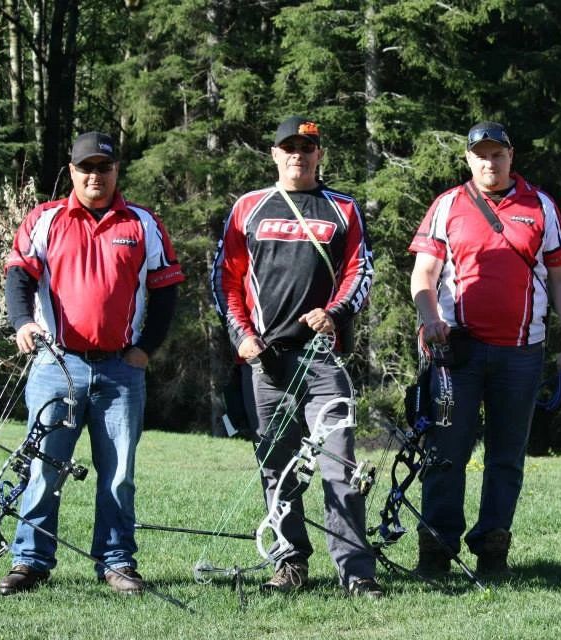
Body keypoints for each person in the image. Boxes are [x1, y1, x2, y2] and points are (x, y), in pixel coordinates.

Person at [0, 131, 183, 596]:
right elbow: (19, 274)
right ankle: (31, 560)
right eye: (86, 168)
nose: (95, 176)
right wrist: (22, 322)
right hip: (56, 366)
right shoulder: (44, 219)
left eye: (103, 167)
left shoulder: (143, 223)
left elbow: (166, 289)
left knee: (119, 474)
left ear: (116, 170)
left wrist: (146, 348)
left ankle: (117, 562)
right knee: (44, 466)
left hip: (122, 371)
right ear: (71, 171)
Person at [211, 116, 381, 598]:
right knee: (275, 467)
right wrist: (241, 335)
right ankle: (289, 562)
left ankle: (356, 570)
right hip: (264, 360)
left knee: (340, 465)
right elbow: (225, 278)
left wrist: (336, 312)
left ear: (319, 154)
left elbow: (359, 271)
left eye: (306, 148)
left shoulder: (343, 208)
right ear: (274, 153)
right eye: (289, 147)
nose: (297, 156)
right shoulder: (249, 207)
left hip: (322, 360)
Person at [409, 121, 561, 577]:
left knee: (506, 457)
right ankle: (436, 550)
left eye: (497, 153)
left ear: (511, 156)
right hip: (457, 354)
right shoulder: (447, 205)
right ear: (468, 159)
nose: (489, 162)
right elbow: (423, 273)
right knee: (446, 453)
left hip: (522, 354)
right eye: (480, 154)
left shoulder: (540, 206)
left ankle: (492, 549)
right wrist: (430, 319)